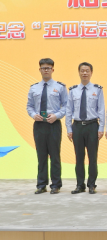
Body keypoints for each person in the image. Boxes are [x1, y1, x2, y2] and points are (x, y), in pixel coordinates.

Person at [27, 58, 68, 194]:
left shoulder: (60, 87)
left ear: (52, 70)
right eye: (43, 68)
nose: (46, 70)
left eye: (48, 68)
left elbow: (66, 106)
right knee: (41, 155)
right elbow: (29, 106)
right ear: (39, 70)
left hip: (54, 124)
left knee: (55, 156)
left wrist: (57, 115)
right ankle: (41, 184)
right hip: (39, 125)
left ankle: (56, 185)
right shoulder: (34, 88)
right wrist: (34, 115)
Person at [66, 62, 105, 194]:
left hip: (92, 126)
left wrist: (101, 128)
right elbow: (69, 111)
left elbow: (101, 110)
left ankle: (92, 185)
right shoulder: (73, 90)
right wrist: (69, 129)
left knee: (92, 157)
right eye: (82, 70)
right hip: (77, 126)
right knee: (79, 157)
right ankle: (80, 185)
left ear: (91, 72)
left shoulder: (97, 89)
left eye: (87, 70)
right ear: (79, 72)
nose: (84, 73)